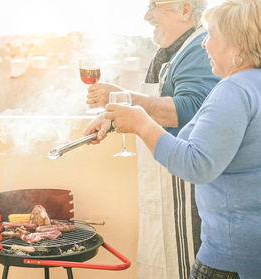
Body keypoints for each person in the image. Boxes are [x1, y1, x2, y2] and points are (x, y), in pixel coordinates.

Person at [87, 0, 261, 277]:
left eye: (213, 35)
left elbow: (197, 164)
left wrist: (141, 123)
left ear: (238, 45)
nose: (206, 44)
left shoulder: (234, 89)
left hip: (230, 256)